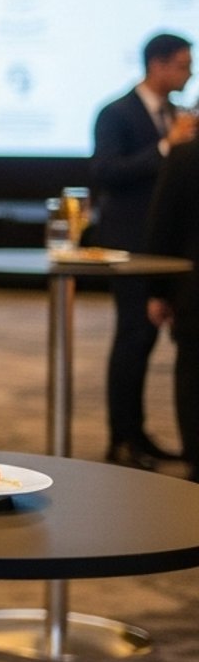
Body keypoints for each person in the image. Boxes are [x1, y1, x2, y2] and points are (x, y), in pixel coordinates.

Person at [91, 31, 195, 469]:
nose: (190, 72)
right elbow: (105, 172)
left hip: (167, 248)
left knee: (149, 339)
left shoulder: (177, 113)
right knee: (133, 338)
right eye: (184, 64)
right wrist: (168, 147)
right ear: (159, 64)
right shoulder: (116, 113)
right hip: (128, 247)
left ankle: (139, 433)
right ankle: (122, 438)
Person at [147, 135, 199, 481]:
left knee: (193, 374)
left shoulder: (185, 156)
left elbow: (163, 224)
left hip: (193, 289)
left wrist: (158, 291)